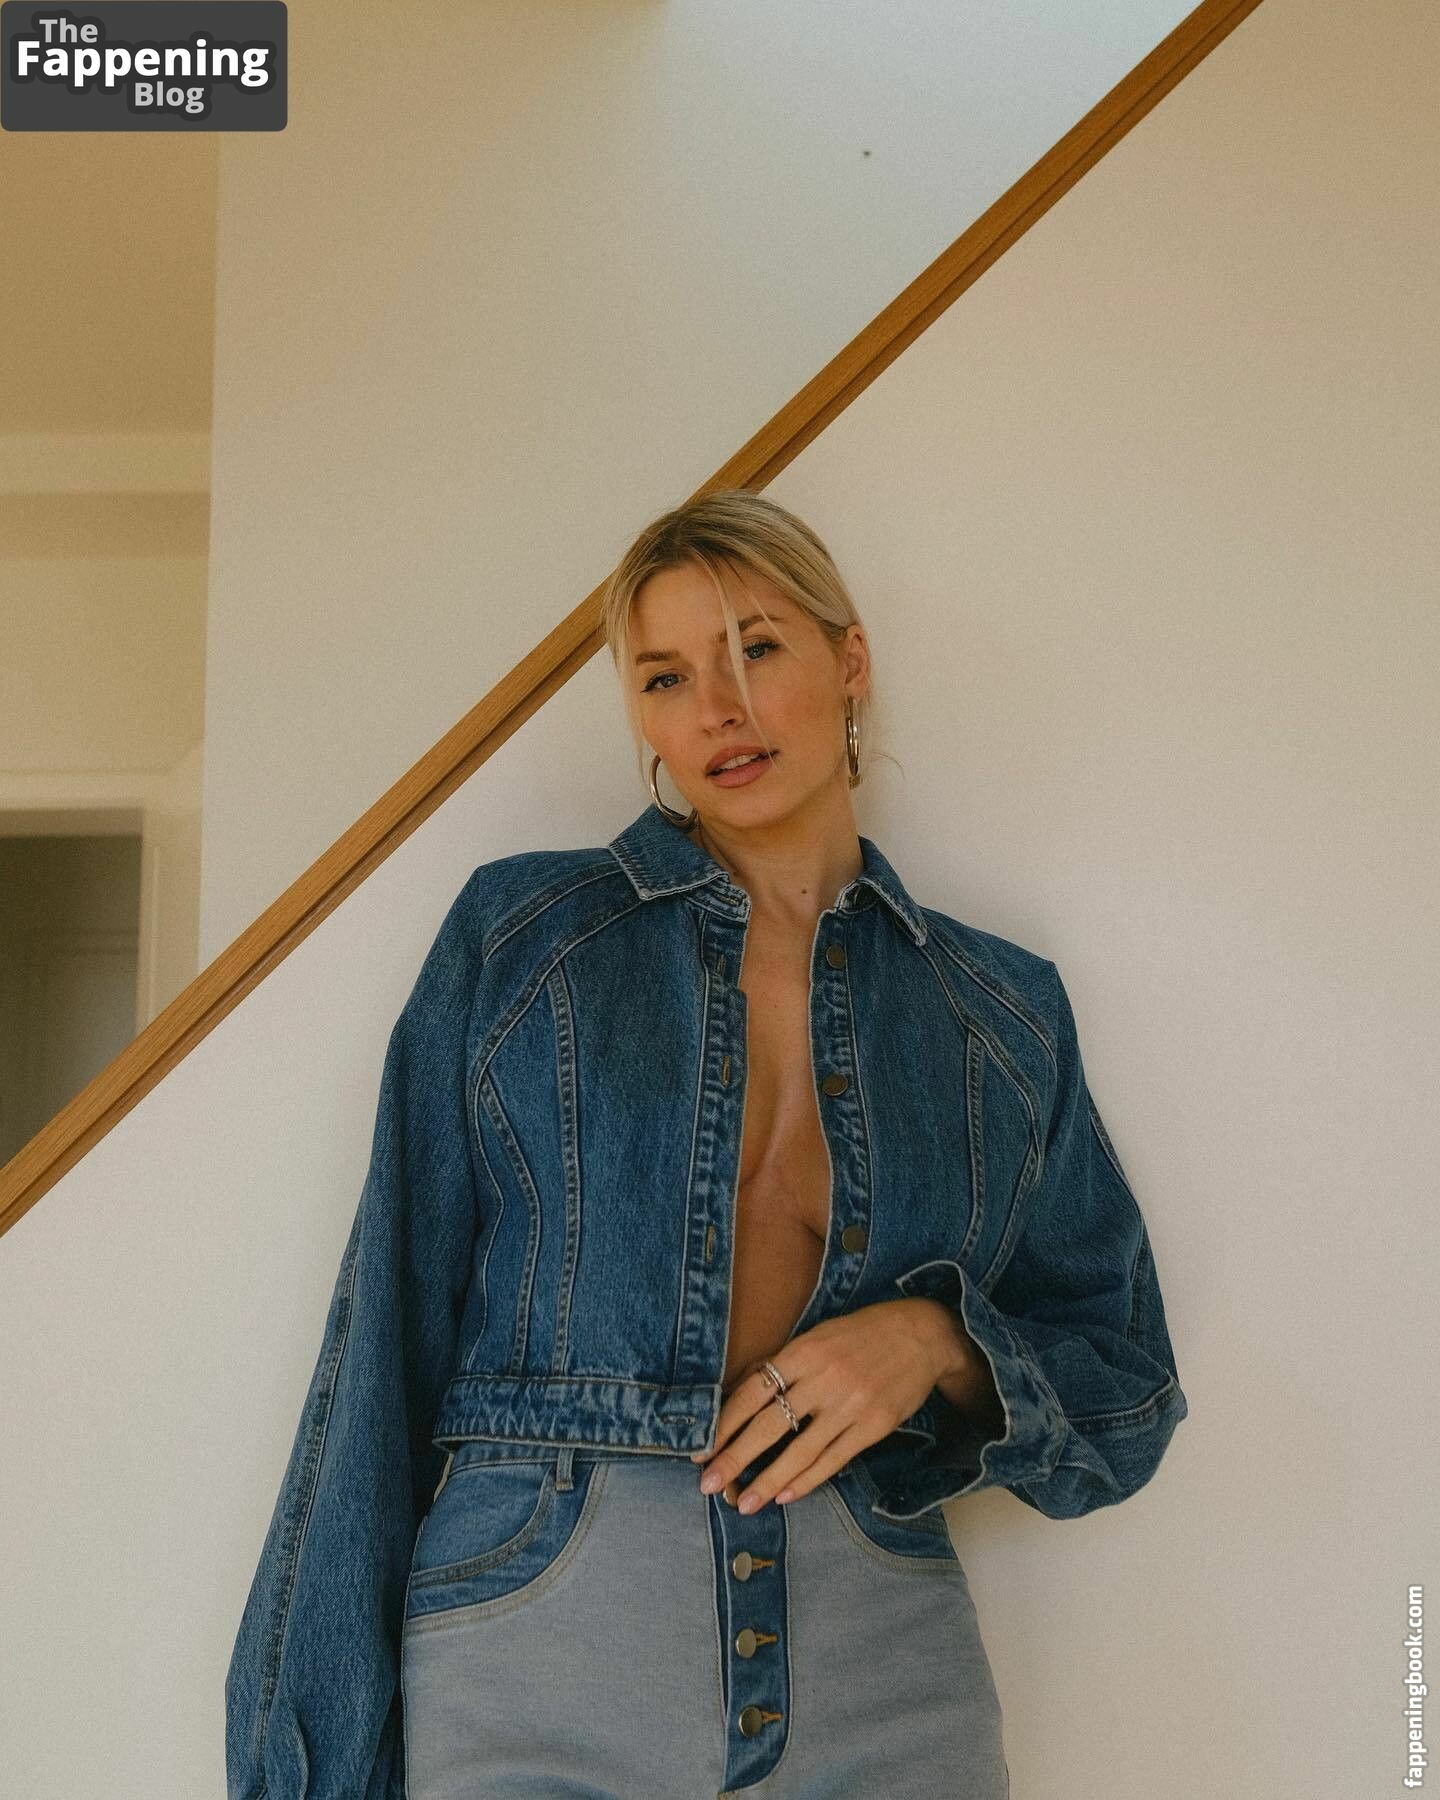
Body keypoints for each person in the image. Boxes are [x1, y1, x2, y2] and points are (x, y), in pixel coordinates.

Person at [226, 489, 1189, 1799]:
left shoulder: (999, 1014)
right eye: (666, 677)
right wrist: (308, 1758)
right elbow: (381, 1345)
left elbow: (1125, 1393)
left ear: (850, 661)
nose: (718, 711)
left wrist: (936, 1344)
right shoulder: (525, 943)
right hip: (542, 1663)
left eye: (756, 649)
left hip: (883, 1679)